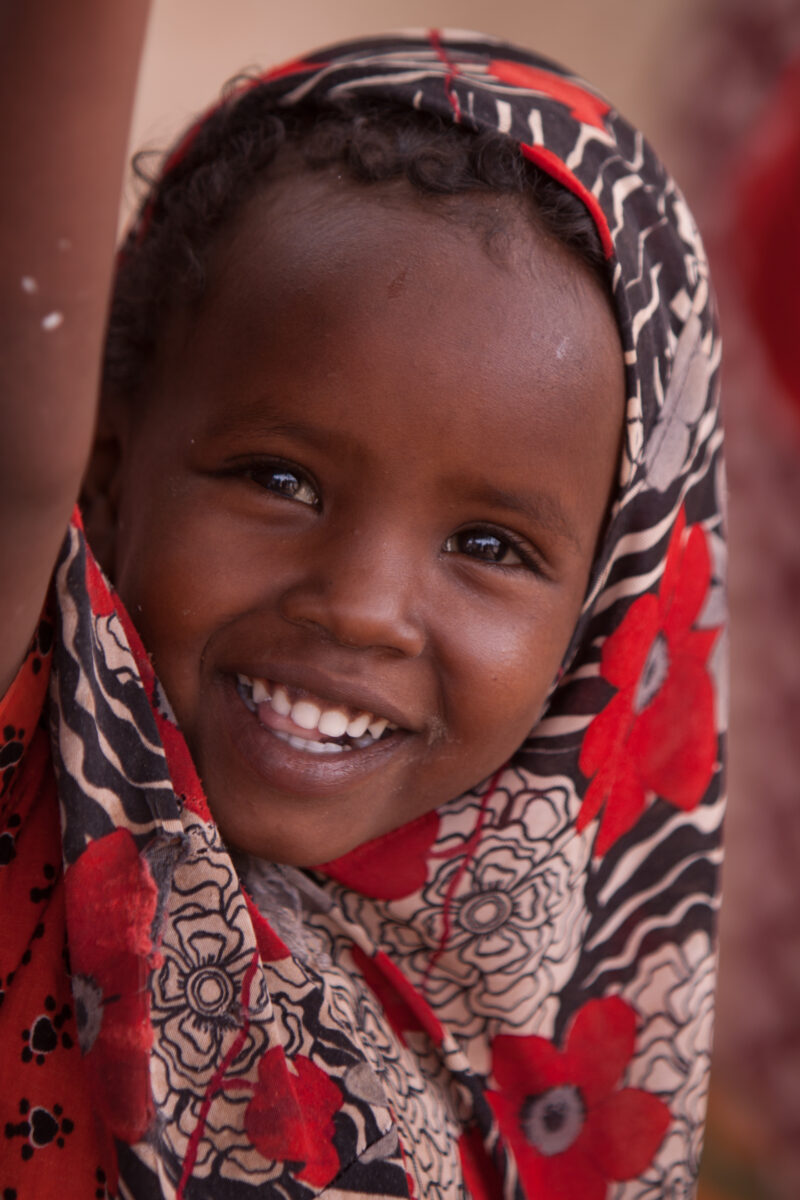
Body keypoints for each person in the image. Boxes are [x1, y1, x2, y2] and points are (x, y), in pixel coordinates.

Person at [0, 7, 726, 1198]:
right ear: (110, 462)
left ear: (605, 613)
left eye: (487, 544)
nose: (362, 607)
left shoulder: (541, 1057)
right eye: (278, 479)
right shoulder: (44, 777)